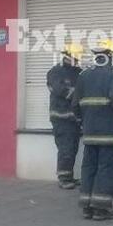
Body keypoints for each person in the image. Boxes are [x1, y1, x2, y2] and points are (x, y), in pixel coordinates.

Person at [73, 39, 113, 221]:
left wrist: (83, 122)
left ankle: (87, 207)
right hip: (109, 131)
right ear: (111, 56)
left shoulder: (83, 75)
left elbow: (75, 104)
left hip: (89, 132)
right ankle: (101, 209)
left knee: (88, 167)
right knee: (106, 168)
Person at [46, 43, 83, 189]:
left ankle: (69, 176)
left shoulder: (78, 72)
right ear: (67, 56)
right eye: (75, 57)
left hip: (74, 119)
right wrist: (79, 95)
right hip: (61, 118)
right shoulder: (55, 72)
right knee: (65, 148)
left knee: (72, 148)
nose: (76, 60)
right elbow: (60, 90)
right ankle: (63, 178)